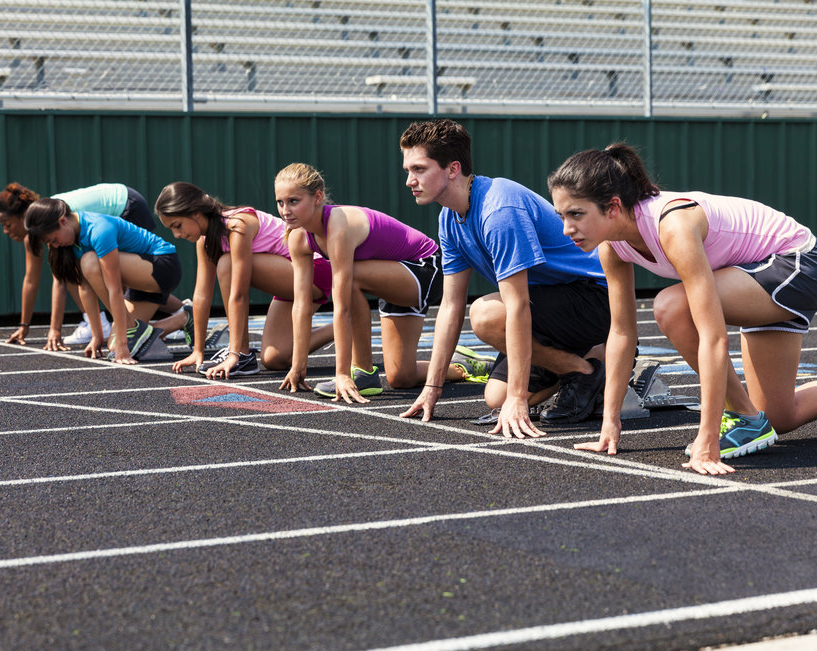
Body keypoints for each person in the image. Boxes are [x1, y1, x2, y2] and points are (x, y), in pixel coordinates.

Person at [547, 142, 817, 474]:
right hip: (753, 276)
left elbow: (713, 337)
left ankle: (743, 417)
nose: (567, 228)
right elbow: (621, 333)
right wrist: (610, 422)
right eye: (562, 216)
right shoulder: (612, 248)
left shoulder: (673, 226)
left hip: (799, 265)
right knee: (779, 417)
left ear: (613, 207)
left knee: (672, 306)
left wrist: (708, 438)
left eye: (576, 214)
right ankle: (755, 416)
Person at [398, 119, 611, 438]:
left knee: (485, 315)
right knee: (493, 398)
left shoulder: (498, 210)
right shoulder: (449, 219)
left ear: (453, 169)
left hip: (595, 299)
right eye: (407, 171)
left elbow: (518, 305)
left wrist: (517, 398)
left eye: (419, 169)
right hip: (549, 307)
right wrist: (432, 386)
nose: (409, 181)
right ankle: (583, 367)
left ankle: (603, 351)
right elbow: (450, 307)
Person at [274, 162, 491, 403]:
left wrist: (342, 373)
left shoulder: (337, 224)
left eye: (294, 201)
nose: (285, 210)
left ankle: (363, 373)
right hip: (392, 279)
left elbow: (343, 306)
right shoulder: (297, 238)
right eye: (280, 202)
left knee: (349, 279)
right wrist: (297, 365)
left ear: (317, 198)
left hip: (426, 268)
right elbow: (302, 305)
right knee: (402, 377)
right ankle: (464, 367)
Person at [153, 181, 335, 378]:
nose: (177, 234)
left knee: (226, 264)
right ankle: (344, 326)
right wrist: (198, 351)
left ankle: (243, 355)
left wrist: (234, 353)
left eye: (177, 225)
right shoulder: (204, 240)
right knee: (275, 358)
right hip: (289, 281)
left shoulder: (237, 225)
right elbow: (201, 296)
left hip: (314, 271)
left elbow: (238, 295)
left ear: (196, 213)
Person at [0, 182, 182, 350]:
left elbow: (113, 288)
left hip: (162, 261)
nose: (55, 246)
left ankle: (131, 327)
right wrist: (98, 336)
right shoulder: (69, 236)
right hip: (144, 270)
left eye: (7, 224)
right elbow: (82, 286)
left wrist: (55, 329)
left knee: (93, 264)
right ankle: (184, 317)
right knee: (115, 344)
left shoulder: (96, 230)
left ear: (62, 221)